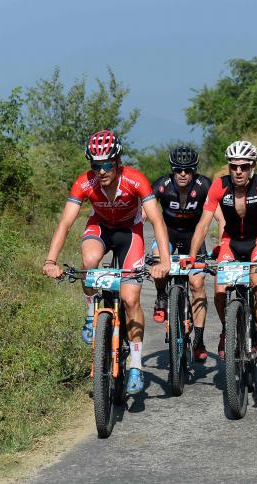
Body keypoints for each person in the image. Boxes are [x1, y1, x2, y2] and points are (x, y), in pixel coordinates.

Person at [42, 130, 171, 395]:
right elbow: (65, 222)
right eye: (95, 165)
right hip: (100, 227)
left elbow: (157, 221)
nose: (101, 171)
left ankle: (136, 364)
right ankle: (91, 316)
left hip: (129, 233)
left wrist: (165, 262)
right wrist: (50, 260)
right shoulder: (84, 183)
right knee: (89, 262)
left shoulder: (135, 180)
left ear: (118, 161)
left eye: (107, 164)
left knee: (130, 298)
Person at [183, 140, 257, 363]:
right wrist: (192, 257)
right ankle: (226, 330)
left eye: (244, 166)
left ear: (253, 166)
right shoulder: (220, 186)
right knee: (220, 290)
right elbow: (203, 224)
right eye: (233, 166)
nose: (238, 171)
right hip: (231, 241)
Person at [150, 145, 212, 361]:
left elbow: (219, 215)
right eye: (178, 170)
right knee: (158, 259)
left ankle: (199, 339)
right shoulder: (162, 185)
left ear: (194, 170)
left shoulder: (204, 185)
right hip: (168, 233)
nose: (183, 174)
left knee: (197, 284)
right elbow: (143, 210)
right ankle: (161, 296)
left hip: (193, 236)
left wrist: (222, 243)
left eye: (187, 170)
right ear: (172, 170)